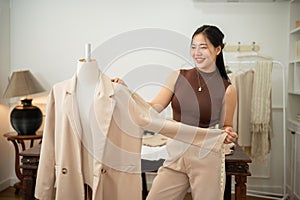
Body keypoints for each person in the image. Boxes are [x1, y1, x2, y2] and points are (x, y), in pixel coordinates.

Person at [113, 25, 238, 200]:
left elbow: (227, 126)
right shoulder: (178, 76)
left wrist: (229, 132)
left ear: (218, 49)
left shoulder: (228, 89)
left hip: (206, 156)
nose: (197, 52)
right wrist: (125, 92)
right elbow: (154, 107)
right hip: (175, 154)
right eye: (193, 47)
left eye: (203, 47)